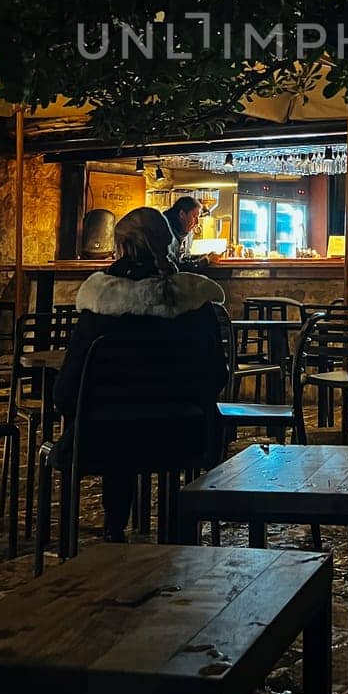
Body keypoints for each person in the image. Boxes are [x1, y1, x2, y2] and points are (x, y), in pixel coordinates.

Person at [53, 206, 228, 540]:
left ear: (119, 248)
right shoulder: (195, 302)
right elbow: (215, 377)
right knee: (142, 424)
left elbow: (67, 392)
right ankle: (177, 531)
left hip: (101, 442)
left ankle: (114, 529)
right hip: (185, 437)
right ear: (169, 244)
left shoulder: (99, 304)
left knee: (118, 424)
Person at [165, 195, 206, 266]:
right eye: (194, 216)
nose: (197, 222)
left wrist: (202, 257)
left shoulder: (186, 232)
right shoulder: (165, 231)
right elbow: (175, 266)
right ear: (182, 214)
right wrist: (205, 261)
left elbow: (184, 258)